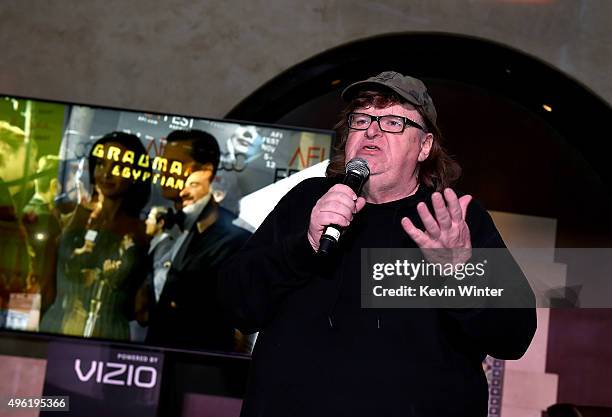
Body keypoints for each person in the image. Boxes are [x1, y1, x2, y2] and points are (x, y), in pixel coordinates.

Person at [219, 71, 537, 417]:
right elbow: (235, 304)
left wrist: (459, 275)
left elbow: (514, 336)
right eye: (362, 119)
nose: (372, 130)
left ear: (424, 146)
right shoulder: (307, 202)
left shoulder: (452, 218)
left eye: (393, 121)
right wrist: (305, 244)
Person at [145, 129, 251, 352]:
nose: (164, 172)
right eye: (163, 164)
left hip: (198, 368)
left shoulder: (235, 238)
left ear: (205, 172)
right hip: (151, 358)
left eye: (175, 165)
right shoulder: (159, 225)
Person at [40, 132, 150, 340]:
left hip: (110, 335)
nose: (107, 174)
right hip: (57, 327)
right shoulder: (66, 215)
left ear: (136, 173)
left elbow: (139, 308)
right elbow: (45, 288)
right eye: (101, 163)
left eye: (118, 166)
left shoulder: (143, 233)